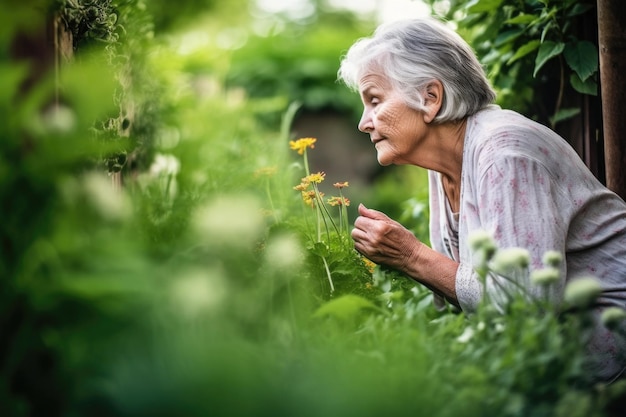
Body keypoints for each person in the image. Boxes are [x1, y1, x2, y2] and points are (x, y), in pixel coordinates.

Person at [338, 17, 626, 382]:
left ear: (430, 98)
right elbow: (477, 298)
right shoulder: (444, 163)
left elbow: (526, 306)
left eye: (374, 101)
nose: (365, 122)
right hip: (552, 365)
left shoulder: (505, 152)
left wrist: (411, 256)